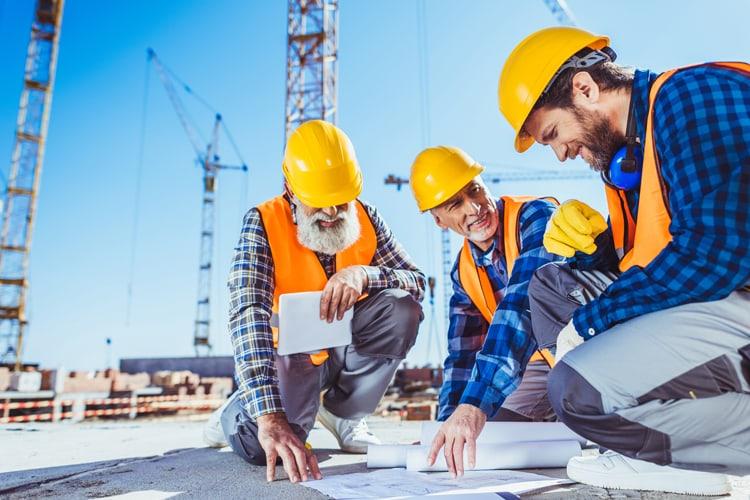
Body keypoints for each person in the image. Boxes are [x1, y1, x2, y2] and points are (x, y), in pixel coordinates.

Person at [498, 26, 750, 495]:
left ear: (585, 88)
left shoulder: (688, 97)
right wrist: (598, 253)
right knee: (555, 285)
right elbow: (652, 257)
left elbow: (717, 248)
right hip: (716, 295)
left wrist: (593, 322)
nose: (560, 155)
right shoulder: (629, 158)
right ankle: (648, 443)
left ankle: (681, 451)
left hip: (732, 287)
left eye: (553, 134)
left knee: (576, 392)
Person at [204, 120, 425, 484]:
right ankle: (239, 410)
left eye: (339, 201)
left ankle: (345, 414)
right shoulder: (262, 223)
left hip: (343, 349)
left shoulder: (367, 218)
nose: (331, 213)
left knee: (402, 309)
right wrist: (269, 416)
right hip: (290, 358)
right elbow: (248, 314)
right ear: (290, 189)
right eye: (318, 203)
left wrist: (363, 275)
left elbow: (416, 282)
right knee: (267, 449)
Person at [409, 145, 563, 477]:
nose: (475, 207)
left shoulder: (536, 216)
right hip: (532, 368)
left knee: (486, 416)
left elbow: (521, 305)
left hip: (578, 350)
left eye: (475, 189)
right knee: (487, 435)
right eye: (456, 204)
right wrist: (445, 427)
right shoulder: (463, 271)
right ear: (439, 220)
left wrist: (476, 404)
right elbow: (462, 357)